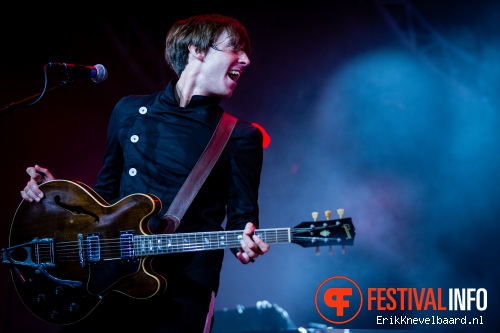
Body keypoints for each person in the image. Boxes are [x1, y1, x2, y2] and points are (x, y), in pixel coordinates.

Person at [20, 13, 270, 333]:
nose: (246, 60)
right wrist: (56, 193)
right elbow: (104, 196)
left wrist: (245, 241)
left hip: (182, 290)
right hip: (110, 278)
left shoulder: (239, 136)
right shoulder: (129, 110)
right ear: (197, 50)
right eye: (235, 48)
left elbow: (242, 220)